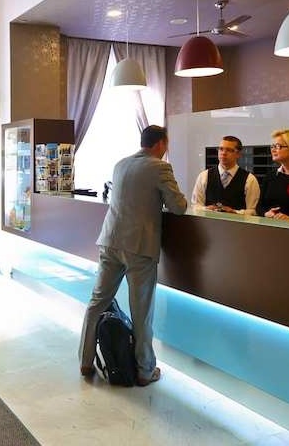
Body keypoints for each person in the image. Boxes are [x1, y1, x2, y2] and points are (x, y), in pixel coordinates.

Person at [79, 125, 187, 386]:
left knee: (97, 302)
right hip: (139, 246)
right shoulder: (159, 167)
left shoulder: (121, 164)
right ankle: (145, 370)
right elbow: (179, 207)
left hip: (110, 241)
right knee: (141, 310)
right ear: (160, 144)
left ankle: (85, 361)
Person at [191, 135, 260, 215]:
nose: (223, 153)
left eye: (229, 150)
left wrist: (235, 212)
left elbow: (253, 211)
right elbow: (195, 206)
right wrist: (206, 209)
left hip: (236, 223)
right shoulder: (204, 176)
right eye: (221, 149)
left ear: (238, 154)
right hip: (209, 222)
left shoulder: (250, 179)